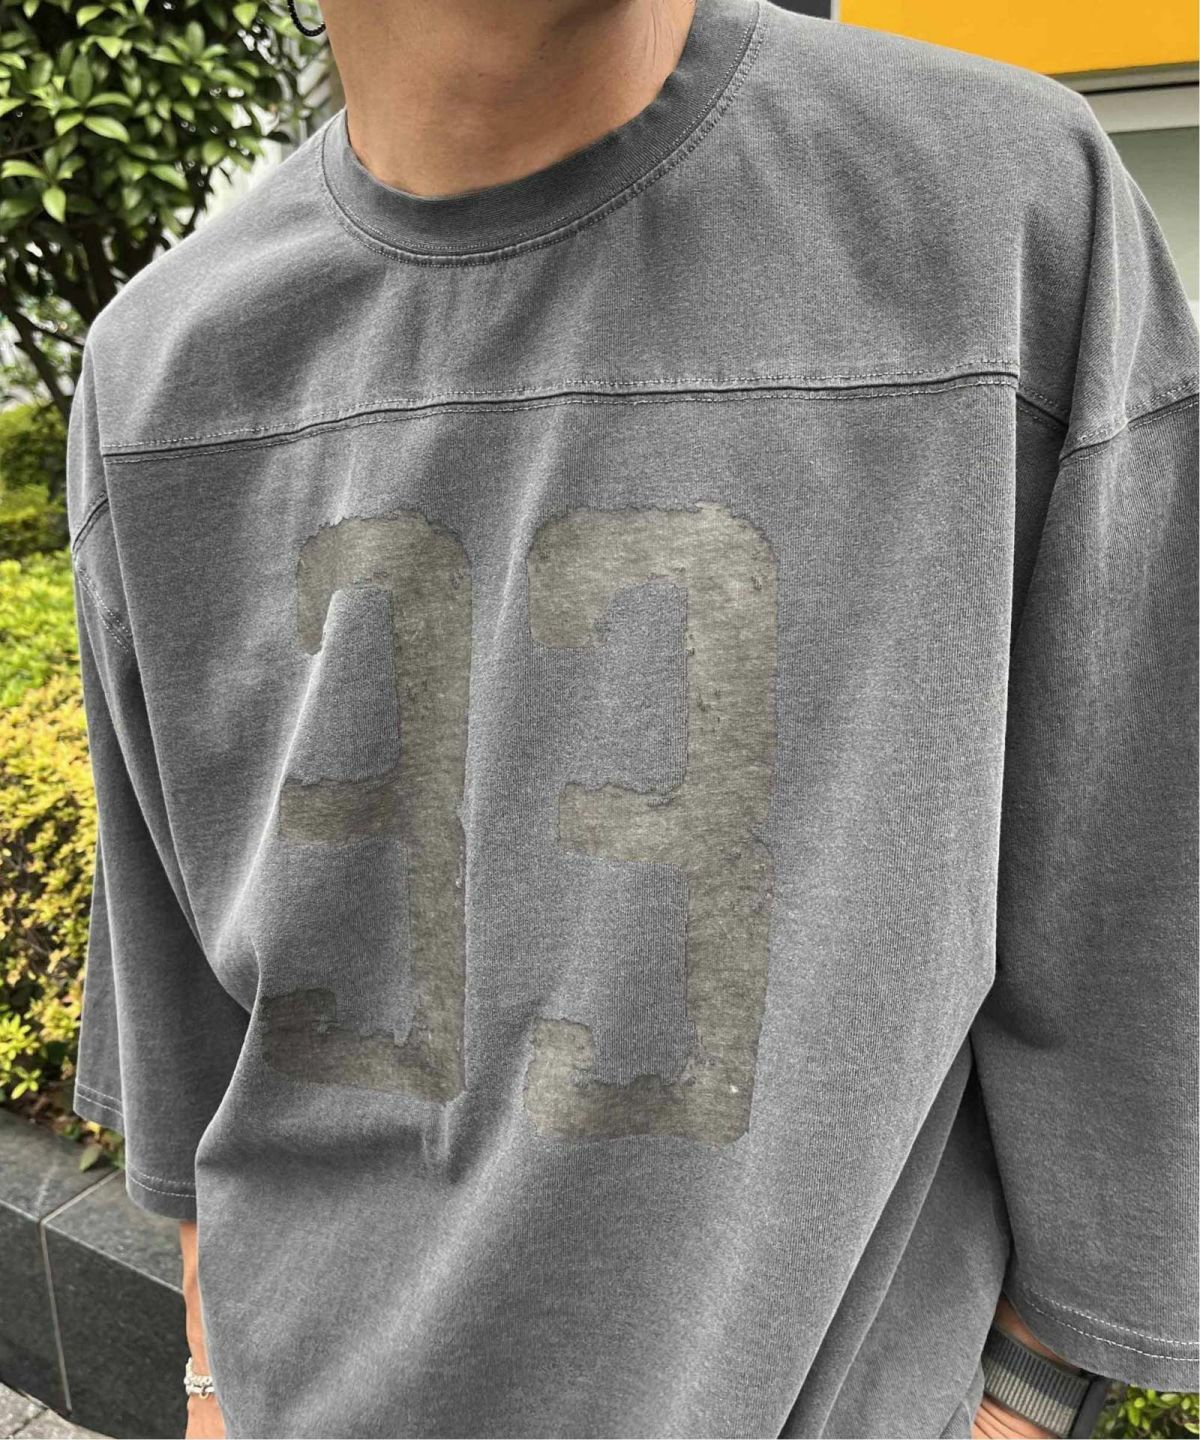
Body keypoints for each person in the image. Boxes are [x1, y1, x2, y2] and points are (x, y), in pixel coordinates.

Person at [63, 0, 1199, 1435]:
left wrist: (1022, 1399)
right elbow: (186, 1029)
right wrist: (212, 1386)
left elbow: (1143, 907)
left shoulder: (1001, 215)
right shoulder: (161, 373)